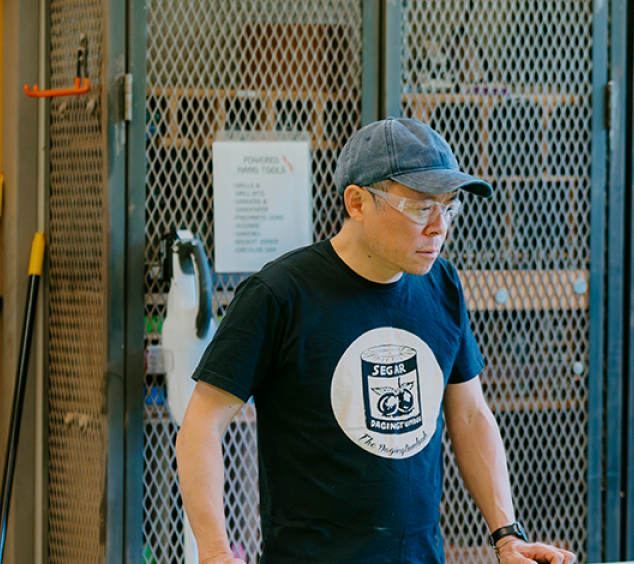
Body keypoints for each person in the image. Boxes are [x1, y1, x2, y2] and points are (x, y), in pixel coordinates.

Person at [176, 118, 577, 564]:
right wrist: (214, 552)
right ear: (357, 202)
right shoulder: (280, 294)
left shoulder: (442, 284)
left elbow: (469, 414)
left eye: (449, 208)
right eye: (422, 207)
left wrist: (507, 535)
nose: (439, 227)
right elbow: (202, 423)